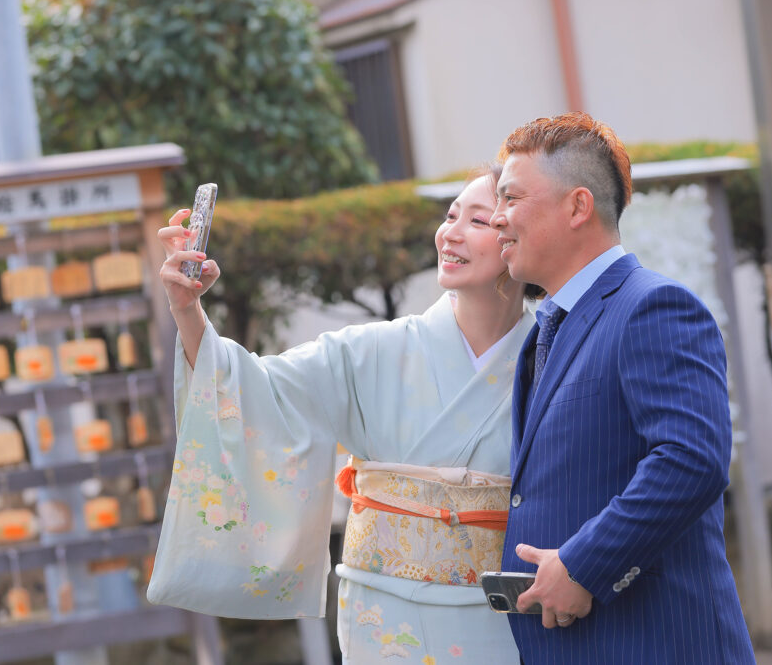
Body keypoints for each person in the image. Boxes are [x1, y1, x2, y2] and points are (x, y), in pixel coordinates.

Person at [147, 168, 537, 663]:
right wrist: (187, 310)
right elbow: (256, 392)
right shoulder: (369, 351)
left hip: (503, 618)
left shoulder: (555, 357)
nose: (450, 232)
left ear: (518, 241)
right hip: (384, 617)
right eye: (450, 215)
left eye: (477, 221)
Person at [490, 113, 755, 663]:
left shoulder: (653, 307)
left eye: (511, 199)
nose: (496, 220)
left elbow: (692, 459)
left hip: (655, 641)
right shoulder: (544, 331)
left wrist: (584, 565)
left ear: (578, 207)